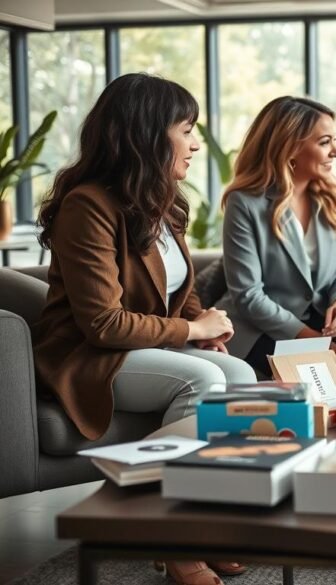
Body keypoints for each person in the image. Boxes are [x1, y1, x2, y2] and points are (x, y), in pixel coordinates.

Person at [34, 73, 255, 585]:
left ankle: (207, 524)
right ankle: (170, 536)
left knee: (240, 375)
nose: (197, 142)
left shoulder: (160, 203)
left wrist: (205, 329)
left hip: (140, 347)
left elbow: (182, 295)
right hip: (89, 356)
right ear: (148, 134)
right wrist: (191, 333)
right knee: (199, 381)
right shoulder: (87, 205)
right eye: (187, 128)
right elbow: (102, 323)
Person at [219, 96, 336, 379]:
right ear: (290, 148)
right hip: (262, 325)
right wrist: (310, 340)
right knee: (315, 379)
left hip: (321, 316)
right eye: (325, 142)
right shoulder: (244, 203)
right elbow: (248, 296)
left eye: (334, 140)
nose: (335, 151)